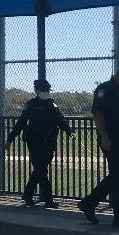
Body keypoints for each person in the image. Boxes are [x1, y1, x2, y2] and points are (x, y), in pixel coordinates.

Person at [77, 64, 119, 228]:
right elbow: (97, 113)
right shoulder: (105, 89)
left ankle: (90, 203)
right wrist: (104, 136)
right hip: (111, 139)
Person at [5, 79, 75, 208]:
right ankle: (48, 200)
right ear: (37, 90)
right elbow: (21, 123)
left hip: (49, 142)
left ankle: (28, 194)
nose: (46, 92)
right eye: (43, 90)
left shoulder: (52, 104)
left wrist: (69, 131)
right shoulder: (31, 105)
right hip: (34, 141)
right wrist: (10, 139)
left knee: (40, 170)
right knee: (41, 170)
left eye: (47, 90)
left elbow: (60, 120)